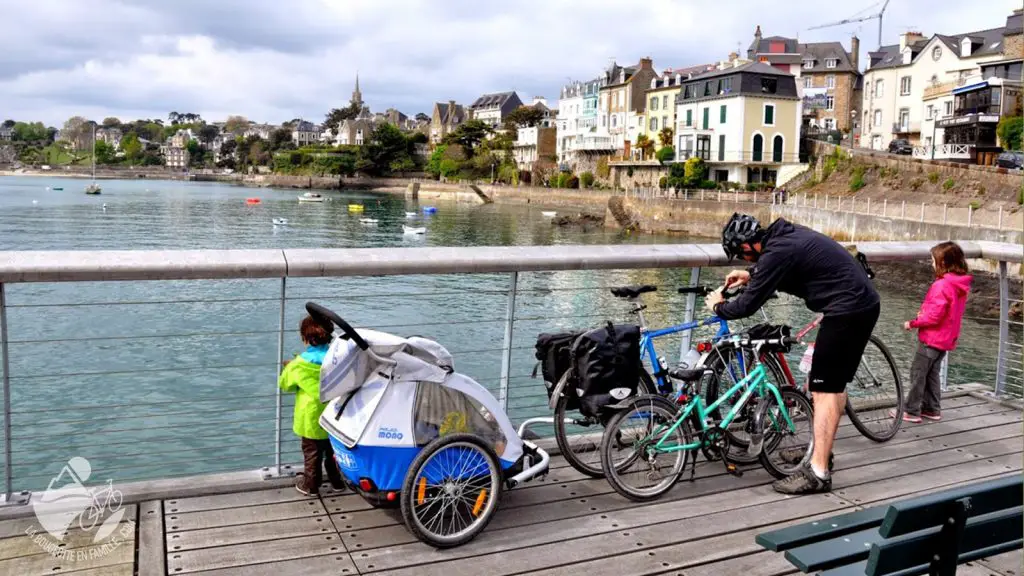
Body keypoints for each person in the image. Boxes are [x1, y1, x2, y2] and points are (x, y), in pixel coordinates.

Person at [706, 213, 880, 494]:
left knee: (824, 391)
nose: (743, 259)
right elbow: (788, 268)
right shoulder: (785, 237)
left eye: (741, 255)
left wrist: (718, 306)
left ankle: (819, 473)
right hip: (859, 304)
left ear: (749, 246)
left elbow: (746, 307)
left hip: (846, 311)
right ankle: (822, 454)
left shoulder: (778, 251)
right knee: (830, 387)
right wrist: (752, 276)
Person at [900, 242, 972, 423]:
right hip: (945, 340)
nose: (932, 264)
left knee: (918, 373)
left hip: (931, 339)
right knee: (932, 374)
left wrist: (913, 323)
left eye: (933, 261)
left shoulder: (941, 286)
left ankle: (911, 410)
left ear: (943, 263)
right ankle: (932, 409)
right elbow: (947, 313)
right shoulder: (959, 284)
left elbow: (934, 316)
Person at [279, 315, 345, 496]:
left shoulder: (298, 365)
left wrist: (288, 367)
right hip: (334, 416)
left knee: (312, 454)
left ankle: (311, 485)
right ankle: (338, 482)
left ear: (305, 338)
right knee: (333, 453)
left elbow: (285, 385)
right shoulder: (337, 359)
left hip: (309, 418)